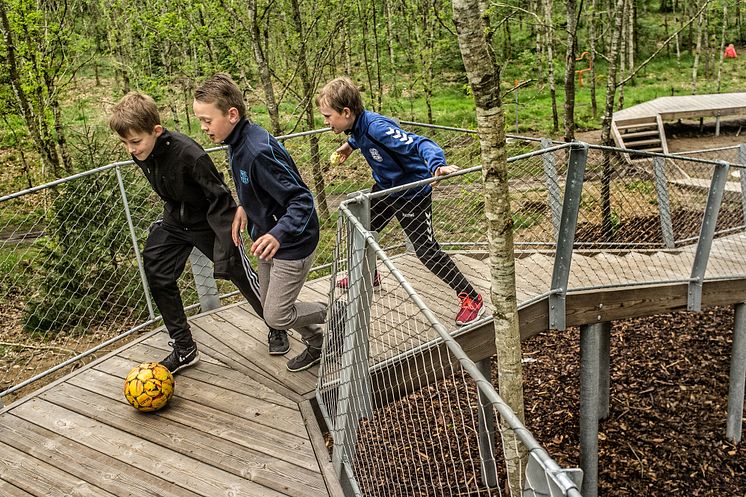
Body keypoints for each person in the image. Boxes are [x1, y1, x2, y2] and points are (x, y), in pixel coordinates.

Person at [109, 92, 289, 375]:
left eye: (135, 142)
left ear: (156, 131)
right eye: (125, 144)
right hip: (175, 220)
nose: (131, 149)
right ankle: (184, 347)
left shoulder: (189, 154)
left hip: (209, 220)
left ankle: (275, 326)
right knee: (157, 271)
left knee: (239, 273)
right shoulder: (142, 153)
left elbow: (219, 194)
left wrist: (225, 239)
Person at [316, 76, 485, 326]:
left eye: (328, 116)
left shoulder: (377, 128)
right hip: (385, 190)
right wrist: (349, 146)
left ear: (346, 112)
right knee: (361, 227)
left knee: (426, 252)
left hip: (411, 194)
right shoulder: (358, 127)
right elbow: (359, 136)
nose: (326, 122)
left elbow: (420, 144)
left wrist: (437, 166)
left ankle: (472, 298)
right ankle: (370, 274)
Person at [193, 73, 327, 372]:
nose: (203, 128)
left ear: (231, 114)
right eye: (200, 121)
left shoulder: (257, 151)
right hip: (269, 241)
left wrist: (278, 233)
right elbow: (260, 189)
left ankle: (336, 312)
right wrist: (245, 206)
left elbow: (302, 201)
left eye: (206, 120)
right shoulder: (236, 142)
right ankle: (318, 342)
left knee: (277, 316)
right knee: (270, 306)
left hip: (293, 241)